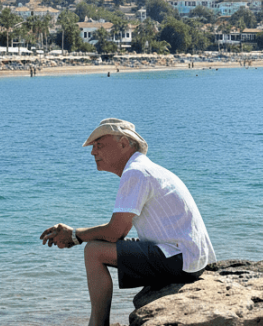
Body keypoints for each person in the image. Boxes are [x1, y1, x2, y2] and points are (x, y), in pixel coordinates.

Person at [39, 118, 216, 326]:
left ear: (123, 143)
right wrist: (76, 236)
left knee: (94, 251)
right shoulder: (144, 169)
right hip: (189, 256)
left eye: (99, 145)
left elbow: (115, 232)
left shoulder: (135, 172)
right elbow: (120, 231)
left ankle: (97, 324)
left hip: (181, 259)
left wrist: (75, 235)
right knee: (97, 246)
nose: (93, 152)